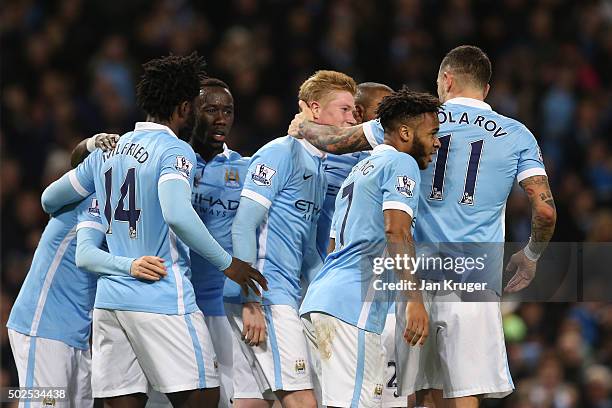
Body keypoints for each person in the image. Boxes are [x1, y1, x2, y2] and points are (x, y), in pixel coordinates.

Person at [289, 45, 557, 407]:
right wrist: (531, 255)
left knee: (422, 390)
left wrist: (304, 125)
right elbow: (545, 212)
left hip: (415, 274)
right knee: (465, 392)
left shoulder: (416, 120)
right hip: (472, 276)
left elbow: (334, 142)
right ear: (486, 89)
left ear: (446, 80)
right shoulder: (517, 134)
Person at [40, 53, 267, 408]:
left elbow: (50, 198)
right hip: (162, 295)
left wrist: (88, 152)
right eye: (194, 106)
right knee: (206, 397)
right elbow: (177, 213)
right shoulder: (175, 151)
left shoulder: (108, 150)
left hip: (111, 300)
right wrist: (229, 265)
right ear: (181, 109)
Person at [300, 89, 440, 408]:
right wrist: (414, 299)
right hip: (353, 306)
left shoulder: (359, 171)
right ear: (405, 132)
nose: (437, 142)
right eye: (432, 133)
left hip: (324, 301)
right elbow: (396, 230)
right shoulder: (400, 163)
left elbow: (335, 244)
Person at [227, 70, 357, 408]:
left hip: (288, 293)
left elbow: (308, 252)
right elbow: (243, 226)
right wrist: (250, 300)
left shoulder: (319, 166)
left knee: (253, 401)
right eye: (344, 109)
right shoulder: (279, 154)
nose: (352, 118)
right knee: (302, 398)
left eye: (354, 111)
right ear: (314, 109)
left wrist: (325, 301)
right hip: (267, 293)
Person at [7, 133, 164, 408]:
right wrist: (132, 267)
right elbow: (86, 256)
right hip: (42, 325)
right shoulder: (92, 197)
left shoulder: (127, 208)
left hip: (77, 332)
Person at [188, 78, 262, 407]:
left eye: (227, 111)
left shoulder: (246, 170)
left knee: (225, 398)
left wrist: (251, 301)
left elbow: (258, 238)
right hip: (177, 304)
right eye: (211, 110)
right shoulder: (173, 164)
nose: (221, 118)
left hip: (224, 309)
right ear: (189, 112)